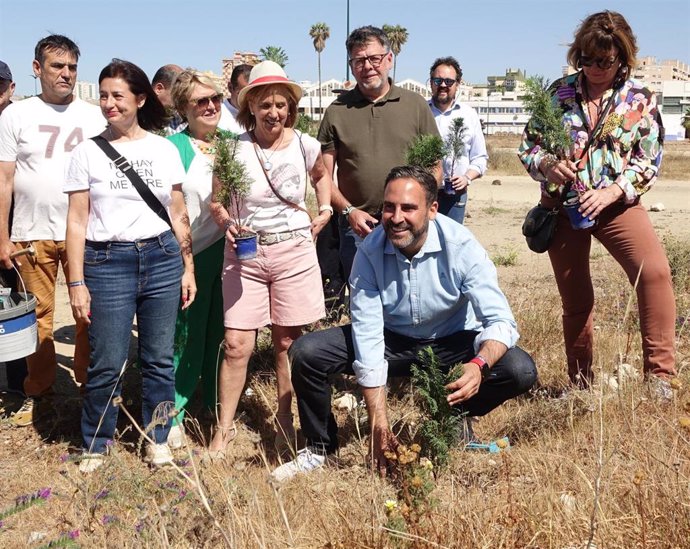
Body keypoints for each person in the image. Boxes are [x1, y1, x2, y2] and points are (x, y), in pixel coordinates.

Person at [272, 165, 537, 481]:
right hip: (393, 340)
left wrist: (478, 364)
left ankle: (450, 414)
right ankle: (319, 449)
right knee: (308, 352)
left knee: (518, 369)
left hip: (451, 341)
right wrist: (378, 424)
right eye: (389, 207)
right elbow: (368, 337)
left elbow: (500, 321)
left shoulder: (462, 248)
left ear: (433, 210)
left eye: (409, 208)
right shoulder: (369, 252)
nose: (396, 218)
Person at [518, 10, 676, 394]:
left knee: (653, 275)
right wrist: (547, 164)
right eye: (586, 59)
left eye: (603, 61)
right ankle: (580, 384)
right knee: (576, 300)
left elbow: (648, 157)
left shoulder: (639, 99)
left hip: (616, 205)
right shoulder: (558, 93)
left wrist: (615, 190)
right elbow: (528, 146)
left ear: (621, 57)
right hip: (564, 209)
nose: (593, 68)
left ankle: (659, 378)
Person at [64, 59, 196, 472]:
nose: (108, 104)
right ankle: (98, 440)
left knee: (158, 357)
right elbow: (76, 220)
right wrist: (76, 281)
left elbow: (178, 212)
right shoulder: (87, 151)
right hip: (107, 262)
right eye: (103, 95)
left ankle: (157, 437)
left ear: (140, 99)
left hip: (161, 257)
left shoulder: (162, 148)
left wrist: (187, 265)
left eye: (117, 95)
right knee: (108, 359)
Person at [207, 61, 333, 459]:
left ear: (290, 108)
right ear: (251, 108)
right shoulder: (232, 148)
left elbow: (321, 174)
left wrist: (326, 208)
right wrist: (226, 220)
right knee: (236, 344)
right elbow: (216, 200)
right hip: (245, 253)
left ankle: (283, 421)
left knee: (286, 344)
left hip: (294, 252)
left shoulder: (304, 143)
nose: (273, 112)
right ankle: (223, 431)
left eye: (281, 104)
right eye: (265, 105)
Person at [0, 35, 104, 426]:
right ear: (36, 68)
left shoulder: (94, 115)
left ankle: (86, 388)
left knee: (88, 315)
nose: (66, 74)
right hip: (31, 233)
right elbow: (4, 180)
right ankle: (39, 392)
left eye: (72, 67)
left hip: (86, 233)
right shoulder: (16, 115)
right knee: (39, 316)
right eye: (57, 66)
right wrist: (2, 237)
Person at [318, 25, 440, 280]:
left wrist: (419, 209)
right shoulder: (337, 111)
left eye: (374, 58)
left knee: (410, 291)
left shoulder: (415, 105)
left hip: (408, 221)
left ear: (389, 59)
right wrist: (349, 212)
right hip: (358, 226)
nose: (368, 66)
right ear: (351, 65)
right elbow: (322, 176)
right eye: (359, 60)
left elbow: (435, 166)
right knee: (363, 297)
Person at [166, 69, 227, 447]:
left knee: (222, 333)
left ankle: (218, 404)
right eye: (199, 101)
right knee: (185, 336)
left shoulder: (235, 144)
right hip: (191, 254)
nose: (209, 107)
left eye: (215, 99)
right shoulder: (173, 147)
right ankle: (175, 411)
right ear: (183, 108)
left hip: (233, 254)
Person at [428, 56, 488, 224]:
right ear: (431, 81)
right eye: (438, 80)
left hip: (455, 194)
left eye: (449, 81)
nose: (443, 85)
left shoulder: (468, 115)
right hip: (424, 192)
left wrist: (466, 178)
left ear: (458, 84)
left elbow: (480, 158)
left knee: (452, 244)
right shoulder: (421, 112)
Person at [0, 59, 27, 397]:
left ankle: (22, 387)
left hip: (13, 229)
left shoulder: (20, 122)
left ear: (10, 88)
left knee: (17, 306)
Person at [152, 64, 185, 135]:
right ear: (159, 89)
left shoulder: (183, 120)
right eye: (177, 93)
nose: (181, 99)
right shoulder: (137, 120)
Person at [219, 63, 251, 134]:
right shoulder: (217, 116)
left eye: (253, 93)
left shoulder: (259, 115)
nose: (248, 98)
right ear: (230, 87)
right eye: (243, 93)